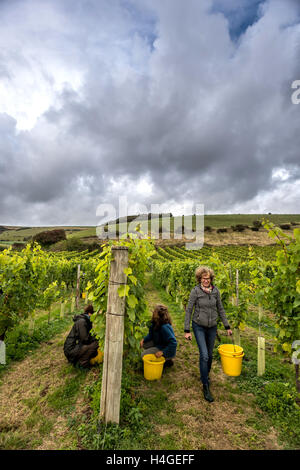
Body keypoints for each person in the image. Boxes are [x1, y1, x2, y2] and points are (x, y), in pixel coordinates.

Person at [184, 266, 232, 403]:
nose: (206, 280)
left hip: (212, 327)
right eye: (203, 278)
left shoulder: (216, 291)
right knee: (204, 355)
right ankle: (205, 385)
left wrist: (227, 326)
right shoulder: (195, 292)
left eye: (208, 278)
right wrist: (187, 330)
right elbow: (189, 310)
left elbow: (220, 309)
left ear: (211, 279)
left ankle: (205, 374)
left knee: (210, 356)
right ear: (200, 279)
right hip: (198, 326)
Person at [140, 304, 177, 368]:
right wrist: (144, 339)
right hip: (158, 343)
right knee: (144, 344)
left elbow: (173, 343)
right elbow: (151, 335)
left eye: (154, 312)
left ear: (159, 316)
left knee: (143, 355)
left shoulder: (164, 327)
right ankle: (158, 354)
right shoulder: (155, 323)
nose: (153, 313)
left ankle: (167, 359)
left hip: (164, 347)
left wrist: (163, 352)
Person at [63, 304, 99, 370]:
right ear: (90, 313)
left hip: (74, 348)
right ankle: (82, 363)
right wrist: (95, 338)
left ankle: (80, 360)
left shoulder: (84, 320)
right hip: (71, 350)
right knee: (95, 344)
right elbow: (85, 339)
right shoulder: (82, 322)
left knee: (93, 344)